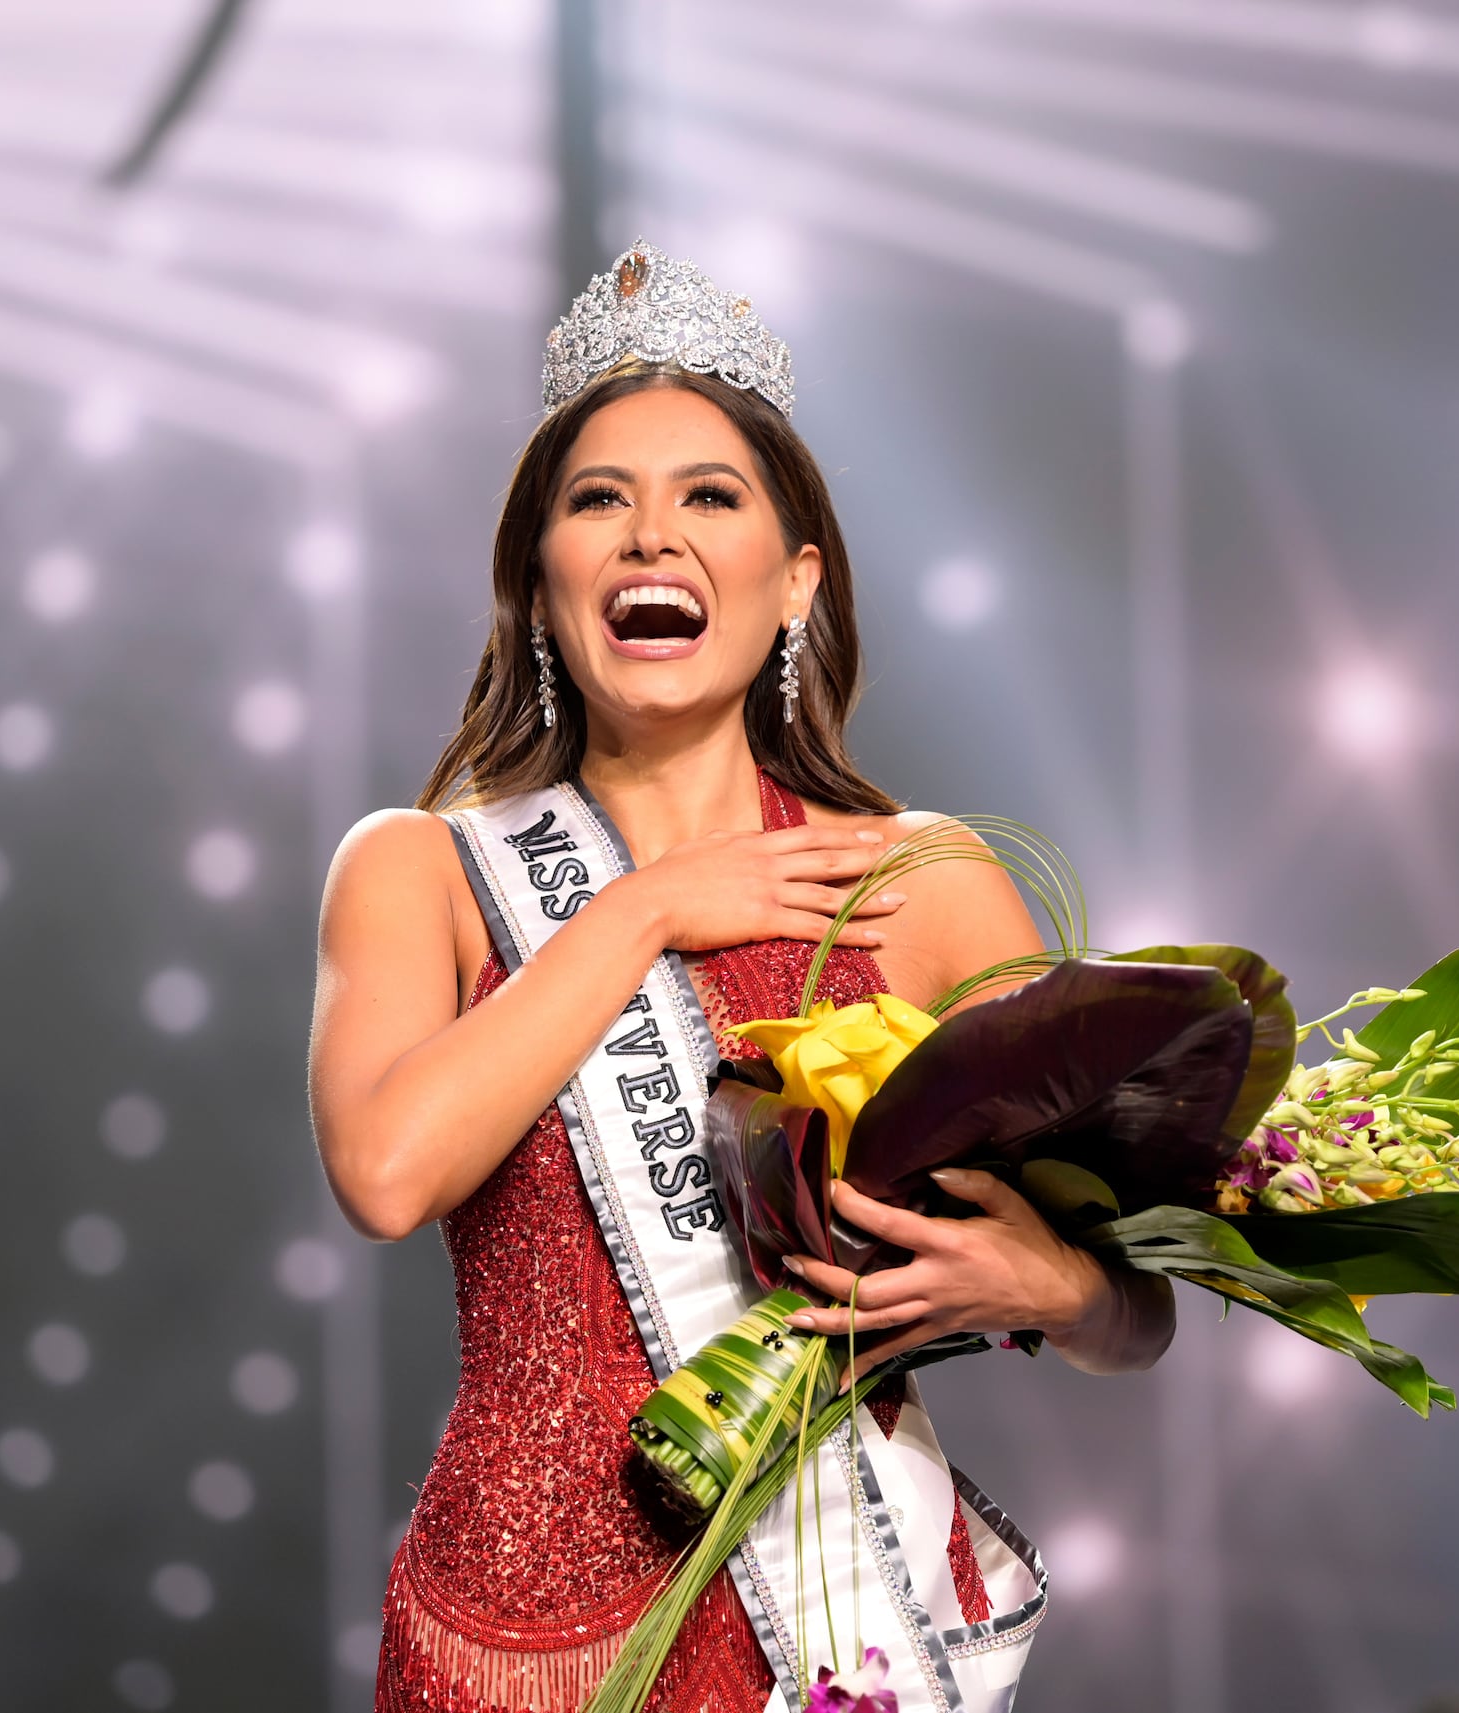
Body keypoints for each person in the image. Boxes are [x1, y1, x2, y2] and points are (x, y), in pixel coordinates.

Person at [310, 244, 1173, 1713]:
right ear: (540, 577)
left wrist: (1057, 1282)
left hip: (836, 1619)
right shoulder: (420, 868)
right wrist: (642, 912)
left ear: (794, 581)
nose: (654, 539)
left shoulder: (923, 877)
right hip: (510, 1650)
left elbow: (1137, 1307)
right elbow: (389, 1171)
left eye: (710, 497)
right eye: (600, 502)